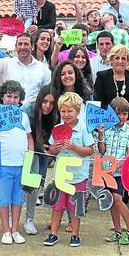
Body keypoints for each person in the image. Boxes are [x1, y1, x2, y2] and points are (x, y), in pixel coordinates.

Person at [44, 92, 94, 247]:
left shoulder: (84, 129)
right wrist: (55, 148)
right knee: (57, 205)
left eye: (69, 111)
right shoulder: (57, 128)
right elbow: (51, 150)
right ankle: (53, 233)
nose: (66, 114)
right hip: (60, 176)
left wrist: (75, 147)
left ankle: (75, 234)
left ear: (77, 111)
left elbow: (90, 150)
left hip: (78, 176)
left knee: (75, 207)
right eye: (63, 111)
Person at [0, 80, 33, 244]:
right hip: (2, 163)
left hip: (21, 163)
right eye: (9, 96)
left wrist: (30, 155)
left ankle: (15, 230)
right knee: (3, 198)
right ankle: (6, 230)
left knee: (18, 198)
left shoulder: (24, 116)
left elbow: (29, 137)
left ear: (20, 99)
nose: (12, 100)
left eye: (15, 97)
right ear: (2, 97)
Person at [97, 97, 129, 245]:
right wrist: (101, 136)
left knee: (118, 199)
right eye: (118, 114)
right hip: (106, 172)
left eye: (125, 114)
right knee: (111, 202)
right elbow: (102, 151)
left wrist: (116, 166)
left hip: (120, 173)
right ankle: (117, 231)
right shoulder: (106, 129)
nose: (122, 117)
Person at [0, 32, 51, 118]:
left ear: (32, 47)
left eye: (26, 44)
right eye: (20, 44)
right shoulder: (7, 62)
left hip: (33, 115)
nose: (23, 47)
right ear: (15, 47)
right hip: (9, 114)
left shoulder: (43, 68)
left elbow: (46, 93)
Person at [25, 85, 59, 235]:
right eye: (45, 101)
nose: (47, 106)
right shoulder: (28, 111)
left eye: (51, 103)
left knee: (38, 184)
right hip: (28, 151)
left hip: (44, 152)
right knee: (27, 184)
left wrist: (49, 148)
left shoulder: (55, 116)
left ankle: (29, 219)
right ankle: (18, 218)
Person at [94, 45, 129, 125]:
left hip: (128, 124)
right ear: (111, 60)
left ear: (127, 61)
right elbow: (98, 100)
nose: (120, 61)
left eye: (123, 58)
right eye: (117, 58)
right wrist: (110, 119)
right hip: (107, 123)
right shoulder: (102, 76)